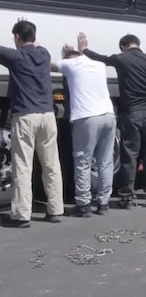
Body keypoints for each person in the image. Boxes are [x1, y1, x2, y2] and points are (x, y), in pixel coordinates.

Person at [78, 33, 146, 208]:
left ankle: (127, 197)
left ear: (123, 46)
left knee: (129, 156)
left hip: (132, 113)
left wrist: (83, 49)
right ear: (138, 44)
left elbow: (100, 58)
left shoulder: (122, 59)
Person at [1, 20, 64, 227]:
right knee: (51, 164)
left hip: (25, 116)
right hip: (47, 115)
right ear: (34, 37)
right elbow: (37, 44)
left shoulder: (15, 56)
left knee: (23, 165)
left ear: (17, 38)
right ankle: (55, 210)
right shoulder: (44, 54)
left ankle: (22, 215)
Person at [51, 37, 116, 217]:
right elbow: (82, 58)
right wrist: (81, 49)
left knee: (82, 161)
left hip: (87, 118)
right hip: (108, 116)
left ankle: (83, 204)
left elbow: (47, 65)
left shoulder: (70, 65)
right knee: (105, 162)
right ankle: (103, 203)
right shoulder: (98, 65)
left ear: (67, 58)